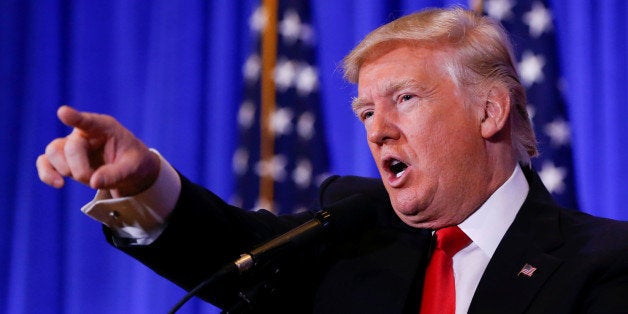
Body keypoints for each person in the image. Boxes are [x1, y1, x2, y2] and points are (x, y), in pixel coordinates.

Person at [37, 7, 628, 314]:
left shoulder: (604, 264)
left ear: (490, 112)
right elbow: (231, 251)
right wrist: (144, 183)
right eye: (366, 112)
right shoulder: (355, 229)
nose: (379, 131)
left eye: (404, 99)